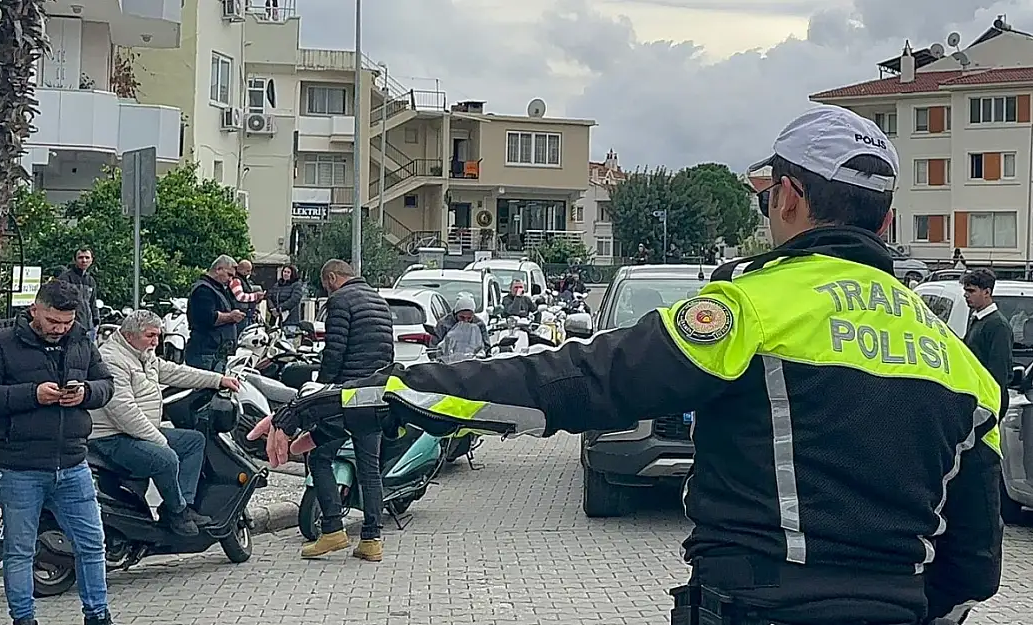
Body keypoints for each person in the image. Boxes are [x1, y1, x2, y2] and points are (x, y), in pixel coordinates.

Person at [254, 105, 1004, 625]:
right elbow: (975, 566)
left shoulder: (751, 309)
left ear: (791, 197)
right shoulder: (961, 364)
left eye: (768, 195)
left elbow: (574, 383)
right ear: (888, 219)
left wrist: (390, 394)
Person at [0, 280, 115, 625]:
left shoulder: (80, 340)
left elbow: (106, 384)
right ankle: (23, 618)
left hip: (73, 463)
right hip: (19, 466)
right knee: (20, 551)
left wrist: (86, 393)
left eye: (66, 322)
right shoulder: (1, 343)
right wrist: (32, 394)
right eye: (52, 322)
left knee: (92, 545)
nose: (59, 330)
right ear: (35, 310)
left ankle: (98, 615)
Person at [88, 310, 241, 536]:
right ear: (130, 335)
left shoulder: (142, 355)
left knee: (193, 442)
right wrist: (159, 440)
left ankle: (184, 505)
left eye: (158, 336)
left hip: (137, 433)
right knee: (166, 458)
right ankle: (176, 512)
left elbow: (173, 371)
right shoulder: (112, 360)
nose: (156, 342)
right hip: (112, 437)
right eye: (150, 336)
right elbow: (123, 411)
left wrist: (217, 380)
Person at [302, 258, 393, 561]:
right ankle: (372, 540)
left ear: (331, 278)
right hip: (376, 393)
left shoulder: (340, 301)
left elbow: (334, 351)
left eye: (325, 284)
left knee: (319, 455)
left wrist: (321, 390)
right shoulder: (379, 301)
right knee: (370, 467)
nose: (326, 290)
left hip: (346, 395)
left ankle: (332, 531)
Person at [961, 269, 1014, 415]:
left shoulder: (998, 326)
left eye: (971, 291)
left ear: (987, 292)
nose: (966, 295)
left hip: (988, 404)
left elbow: (999, 372)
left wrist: (988, 406)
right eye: (965, 290)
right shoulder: (978, 319)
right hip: (976, 398)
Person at [184, 255, 244, 372]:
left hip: (215, 354)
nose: (230, 279)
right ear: (218, 269)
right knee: (204, 389)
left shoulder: (217, 288)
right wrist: (230, 317)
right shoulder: (203, 290)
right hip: (205, 353)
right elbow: (207, 318)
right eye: (229, 275)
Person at [56, 248, 100, 342]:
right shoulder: (65, 278)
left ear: (91, 260)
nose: (84, 260)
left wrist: (96, 321)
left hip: (89, 328)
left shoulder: (91, 280)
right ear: (75, 260)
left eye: (87, 257)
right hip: (70, 328)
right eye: (80, 257)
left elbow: (93, 303)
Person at [229, 259, 266, 333]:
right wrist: (256, 296)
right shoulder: (236, 280)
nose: (250, 273)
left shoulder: (244, 280)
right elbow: (240, 296)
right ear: (243, 270)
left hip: (247, 315)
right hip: (240, 316)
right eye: (248, 271)